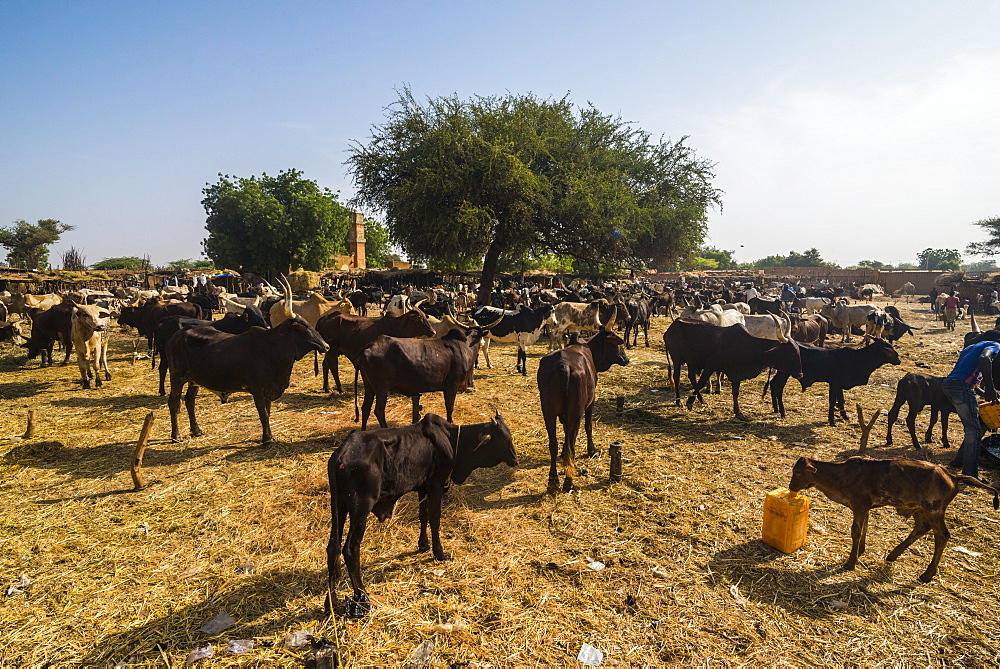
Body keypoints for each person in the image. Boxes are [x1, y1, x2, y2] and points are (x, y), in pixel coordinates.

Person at [943, 340, 1000, 479]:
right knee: (974, 431)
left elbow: (964, 375)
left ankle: (959, 461)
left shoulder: (969, 348)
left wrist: (985, 394)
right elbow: (984, 359)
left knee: (974, 426)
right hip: (962, 387)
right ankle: (970, 474)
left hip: (949, 384)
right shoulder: (995, 345)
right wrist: (991, 389)